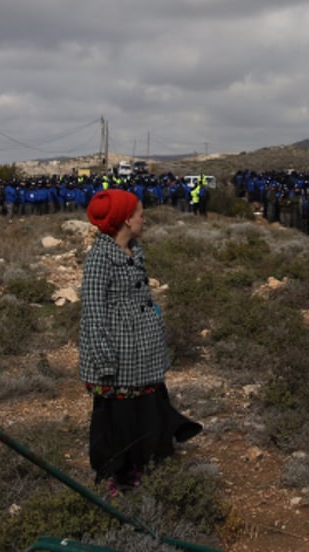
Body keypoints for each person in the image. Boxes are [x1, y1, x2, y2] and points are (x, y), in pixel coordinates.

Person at [78, 189, 201, 496]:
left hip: (142, 352)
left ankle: (145, 462)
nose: (145, 219)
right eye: (140, 214)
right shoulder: (100, 259)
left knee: (146, 408)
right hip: (119, 356)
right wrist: (104, 360)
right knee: (118, 417)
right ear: (125, 220)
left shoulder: (135, 251)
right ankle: (115, 474)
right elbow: (93, 312)